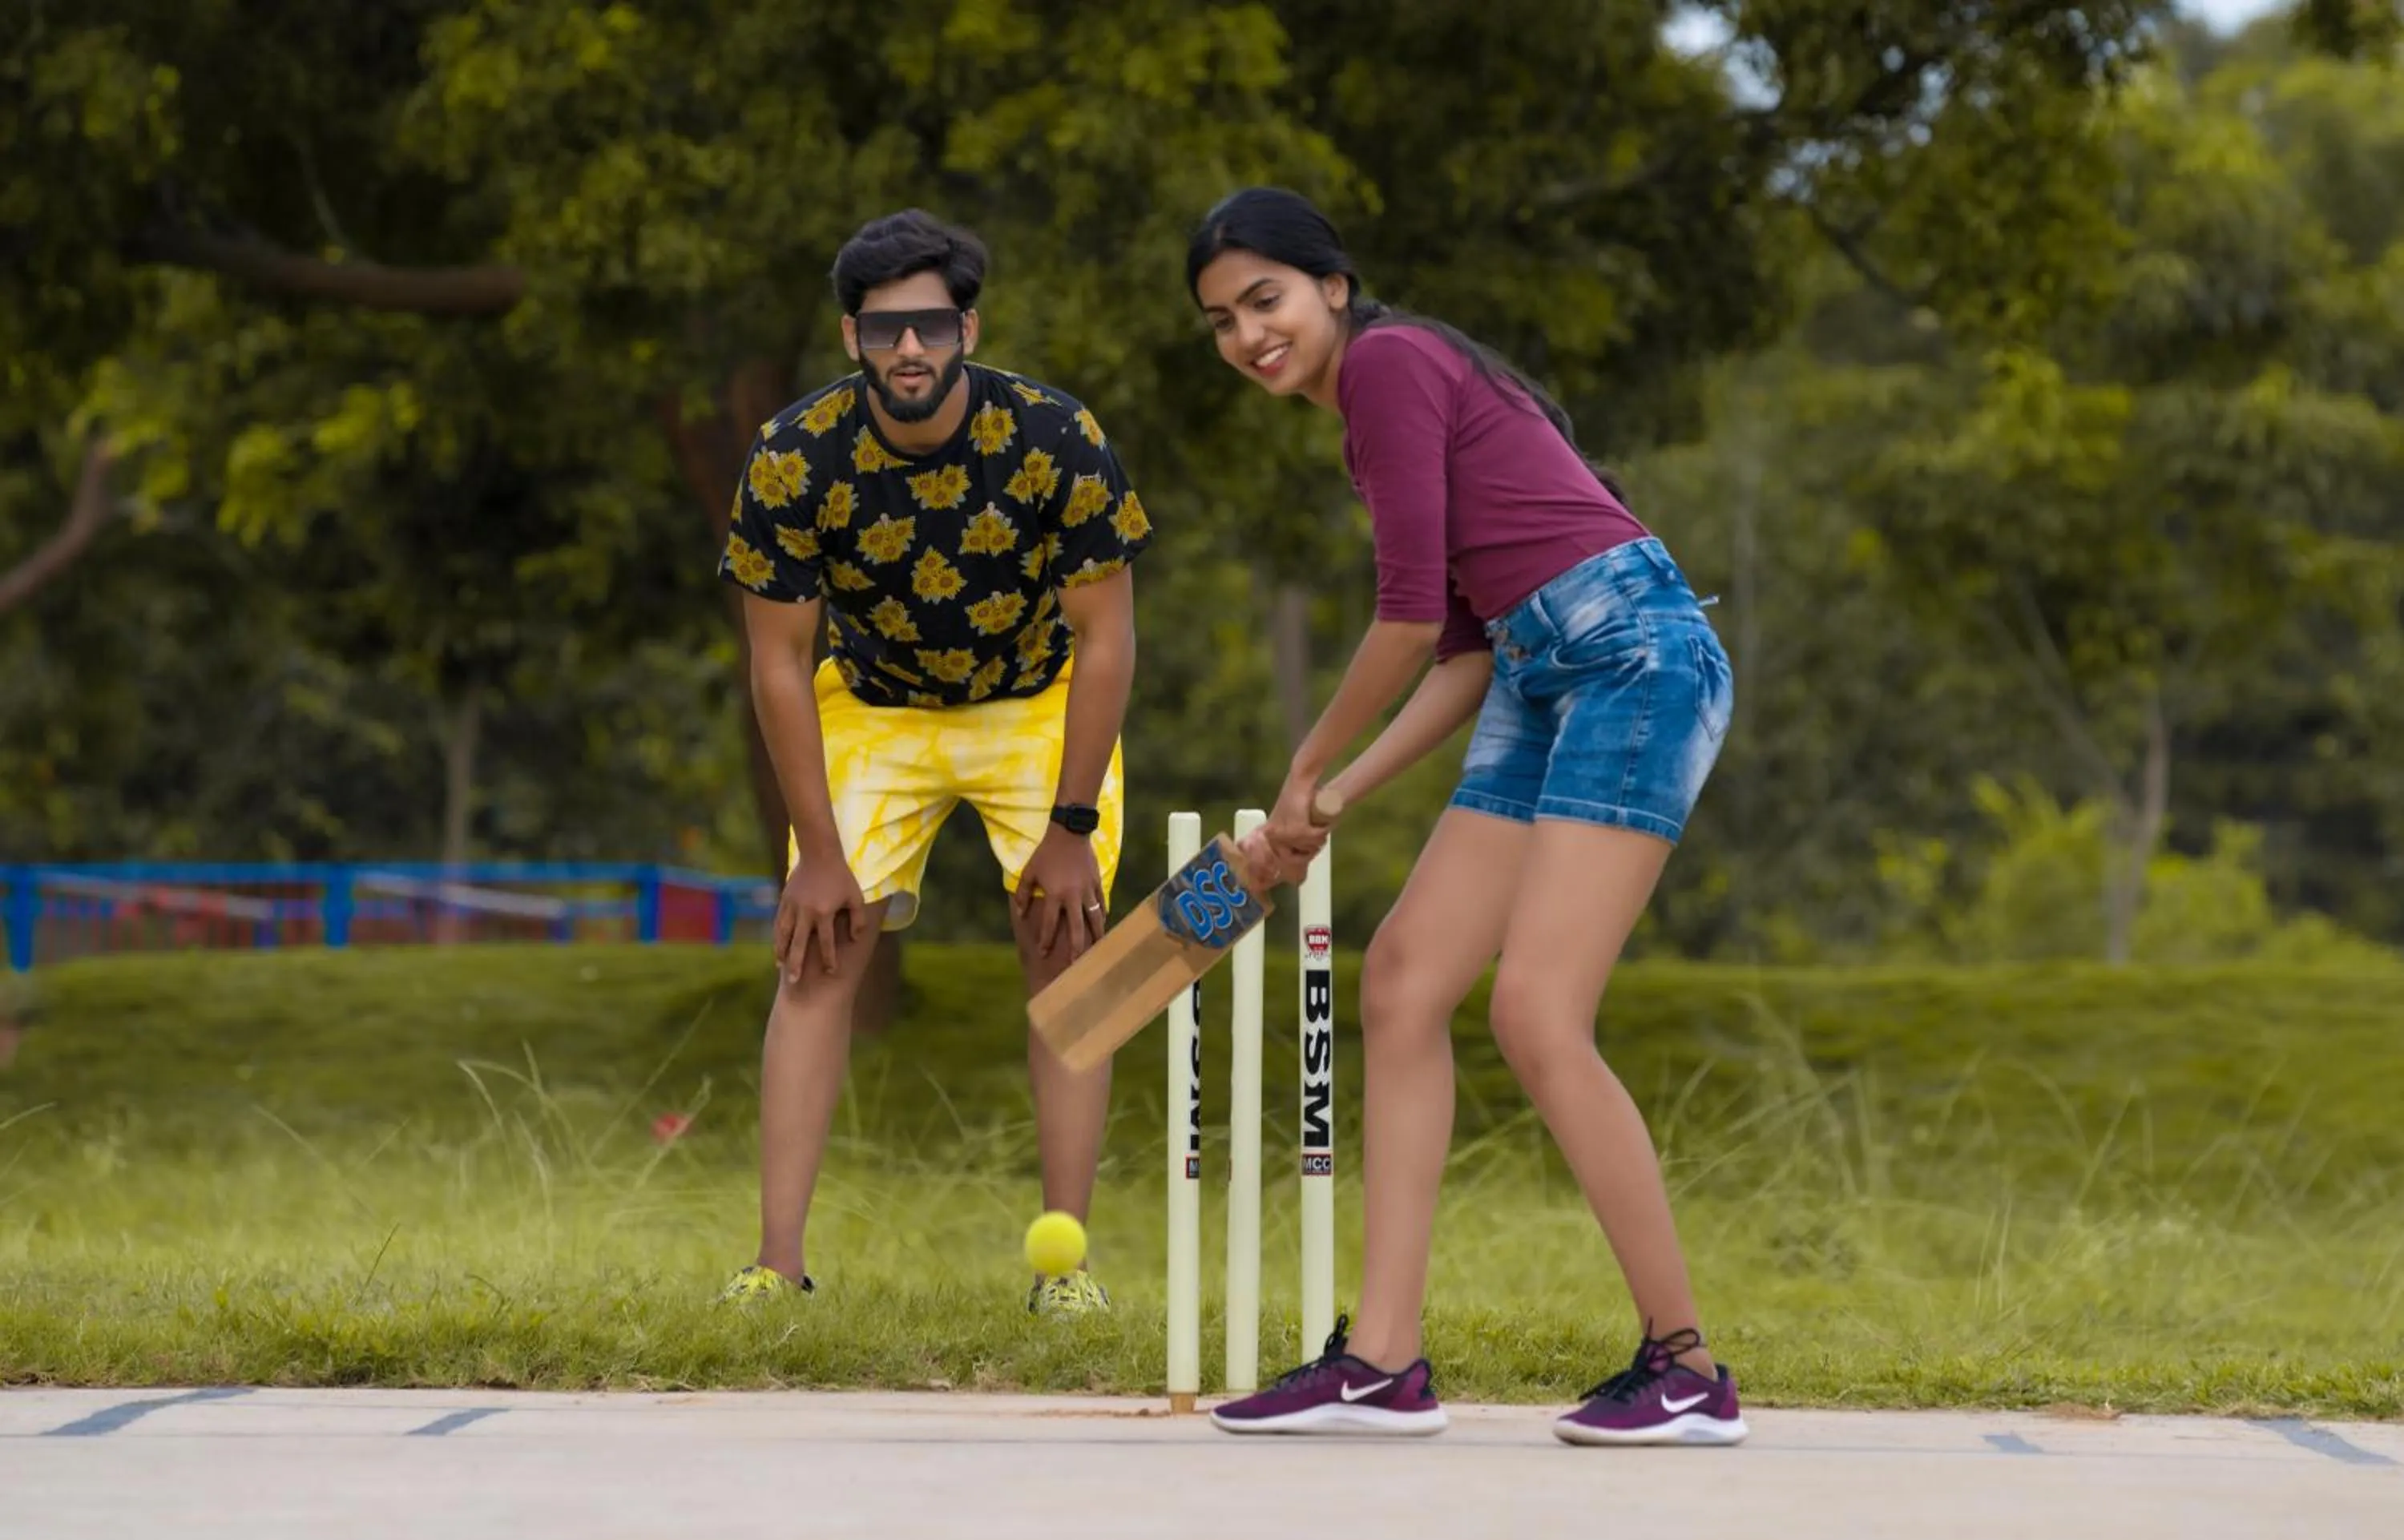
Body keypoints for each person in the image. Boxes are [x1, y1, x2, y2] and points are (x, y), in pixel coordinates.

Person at [1185, 187, 1745, 1445]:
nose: (1247, 336)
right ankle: (1383, 1360)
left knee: (1536, 1011)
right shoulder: (1375, 404)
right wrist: (1329, 801)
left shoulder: (1388, 365)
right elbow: (1457, 657)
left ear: (1332, 284)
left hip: (1634, 662)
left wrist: (1304, 766)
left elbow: (1395, 621)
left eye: (1263, 300)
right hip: (1541, 672)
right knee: (1403, 981)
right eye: (1221, 322)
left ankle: (1688, 1367)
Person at [715, 209, 1154, 1316]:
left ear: (967, 326)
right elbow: (777, 663)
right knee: (820, 947)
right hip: (875, 706)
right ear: (851, 337)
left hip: (1037, 697)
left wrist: (1066, 829)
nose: (908, 350)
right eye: (881, 329)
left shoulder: (1057, 435)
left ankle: (1067, 1273)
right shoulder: (792, 454)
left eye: (930, 326)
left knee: (1071, 950)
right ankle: (777, 1270)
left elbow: (1108, 640)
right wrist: (818, 854)